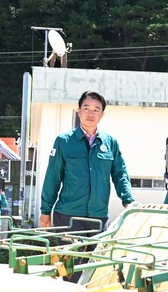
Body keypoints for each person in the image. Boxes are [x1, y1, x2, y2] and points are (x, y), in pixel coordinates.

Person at [39, 90, 134, 235]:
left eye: (96, 110)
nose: (91, 114)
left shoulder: (110, 143)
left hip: (98, 216)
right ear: (79, 111)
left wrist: (128, 201)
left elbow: (120, 174)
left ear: (102, 115)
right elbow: (53, 177)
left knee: (97, 251)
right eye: (86, 108)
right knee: (71, 251)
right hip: (68, 216)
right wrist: (45, 210)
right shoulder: (63, 141)